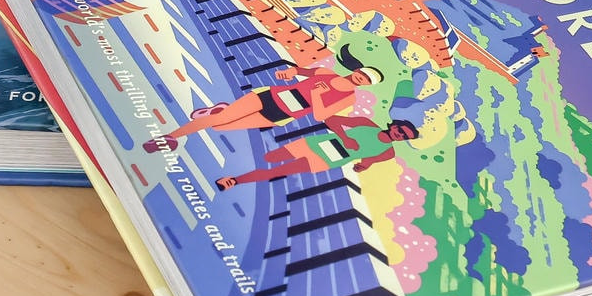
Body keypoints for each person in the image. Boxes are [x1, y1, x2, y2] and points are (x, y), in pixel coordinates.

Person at [139, 64, 382, 153]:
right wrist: (290, 72)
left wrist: (318, 96)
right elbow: (300, 71)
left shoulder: (348, 98)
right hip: (270, 96)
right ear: (356, 70)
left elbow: (320, 115)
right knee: (219, 121)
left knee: (221, 126)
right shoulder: (327, 72)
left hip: (281, 114)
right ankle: (169, 137)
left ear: (366, 85)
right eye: (362, 74)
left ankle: (217, 111)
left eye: (366, 80)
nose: (360, 78)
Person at [213, 117, 421, 190]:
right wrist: (345, 137)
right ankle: (234, 168)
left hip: (326, 160)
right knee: (269, 158)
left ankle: (235, 180)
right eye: (401, 130)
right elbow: (332, 120)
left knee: (277, 172)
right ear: (394, 125)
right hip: (315, 145)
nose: (400, 135)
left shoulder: (388, 152)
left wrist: (362, 166)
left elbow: (368, 161)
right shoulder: (367, 123)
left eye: (405, 137)